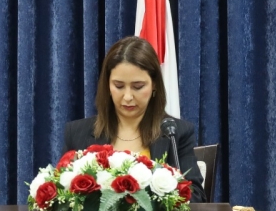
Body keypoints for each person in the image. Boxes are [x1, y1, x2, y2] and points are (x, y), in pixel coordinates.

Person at [63, 36, 205, 202]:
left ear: (154, 85)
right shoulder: (78, 133)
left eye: (138, 87)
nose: (128, 96)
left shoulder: (176, 133)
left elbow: (195, 197)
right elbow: (65, 197)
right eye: (119, 86)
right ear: (107, 85)